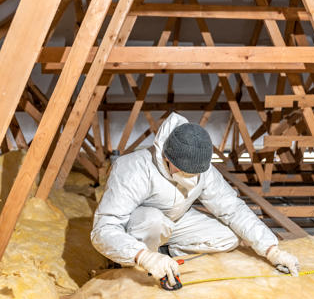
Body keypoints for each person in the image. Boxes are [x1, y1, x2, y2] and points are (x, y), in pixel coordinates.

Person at [91, 113, 300, 288]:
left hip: (175, 221)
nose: (190, 177)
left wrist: (272, 250)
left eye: (195, 173)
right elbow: (103, 229)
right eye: (184, 172)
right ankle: (134, 258)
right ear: (166, 157)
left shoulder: (202, 168)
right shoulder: (134, 168)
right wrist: (143, 256)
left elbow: (233, 208)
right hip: (140, 225)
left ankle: (165, 253)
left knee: (229, 237)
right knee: (154, 221)